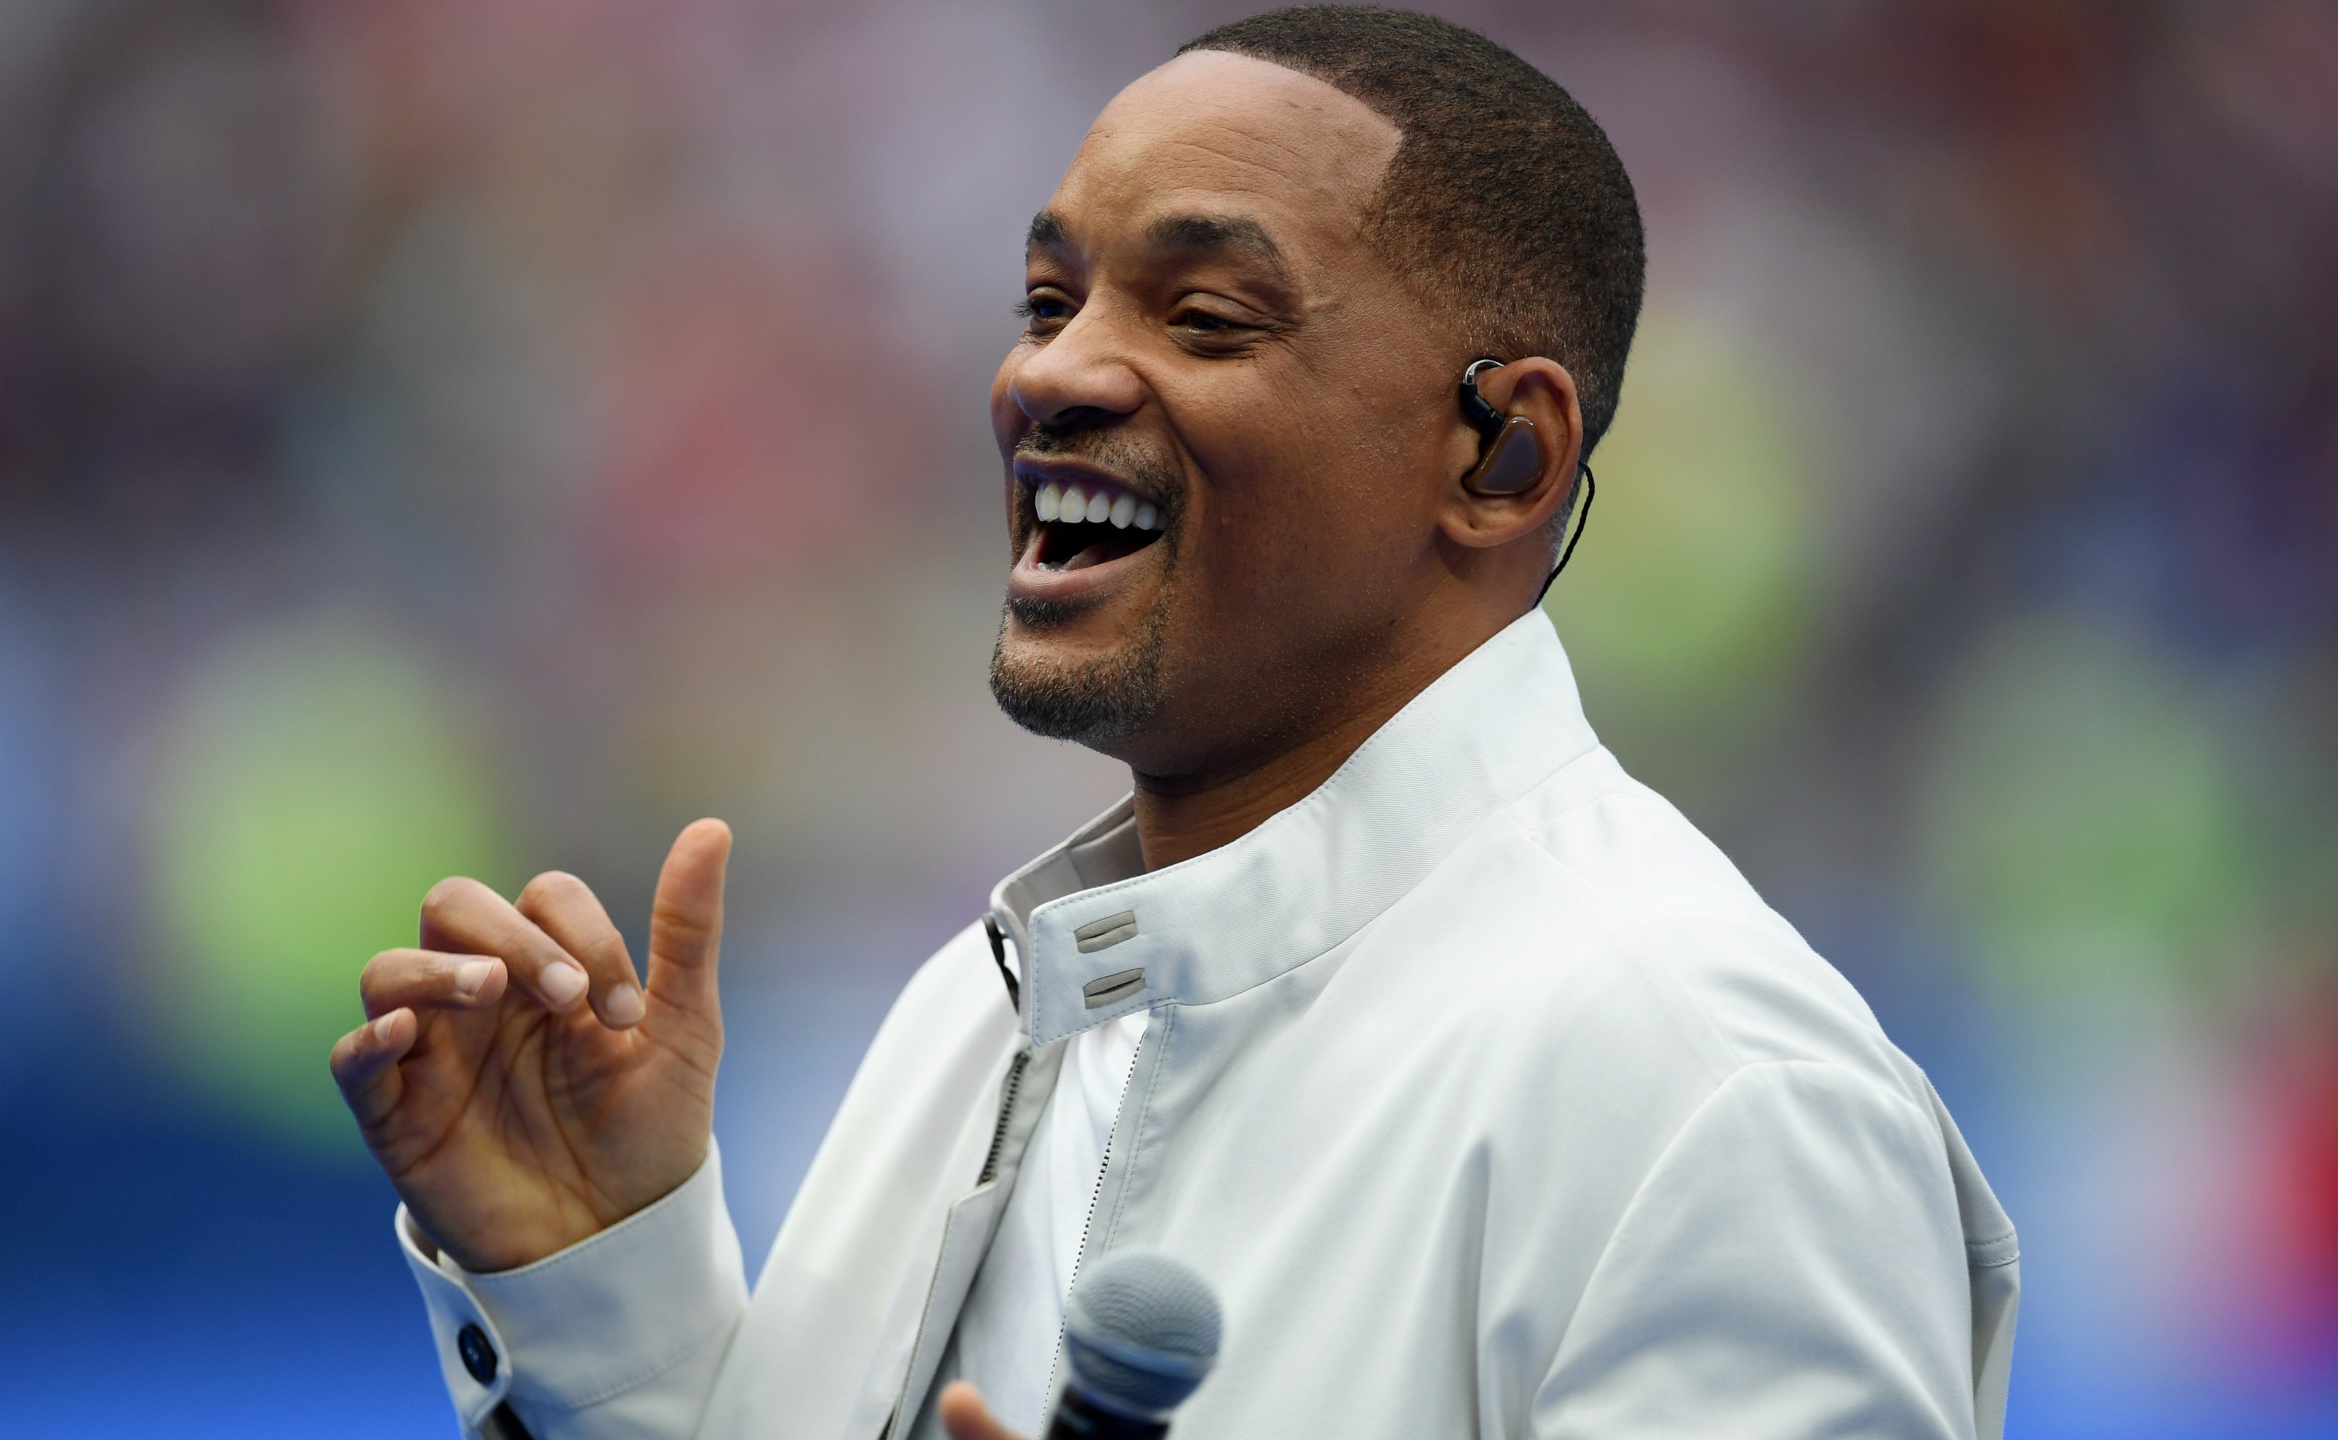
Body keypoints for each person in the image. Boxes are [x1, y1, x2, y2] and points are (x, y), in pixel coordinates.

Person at [328, 9, 2019, 1439]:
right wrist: (607, 1312)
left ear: (1503, 457)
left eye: (1205, 317)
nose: (1050, 376)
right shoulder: (976, 1019)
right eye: (1049, 301)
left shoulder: (1714, 1094)